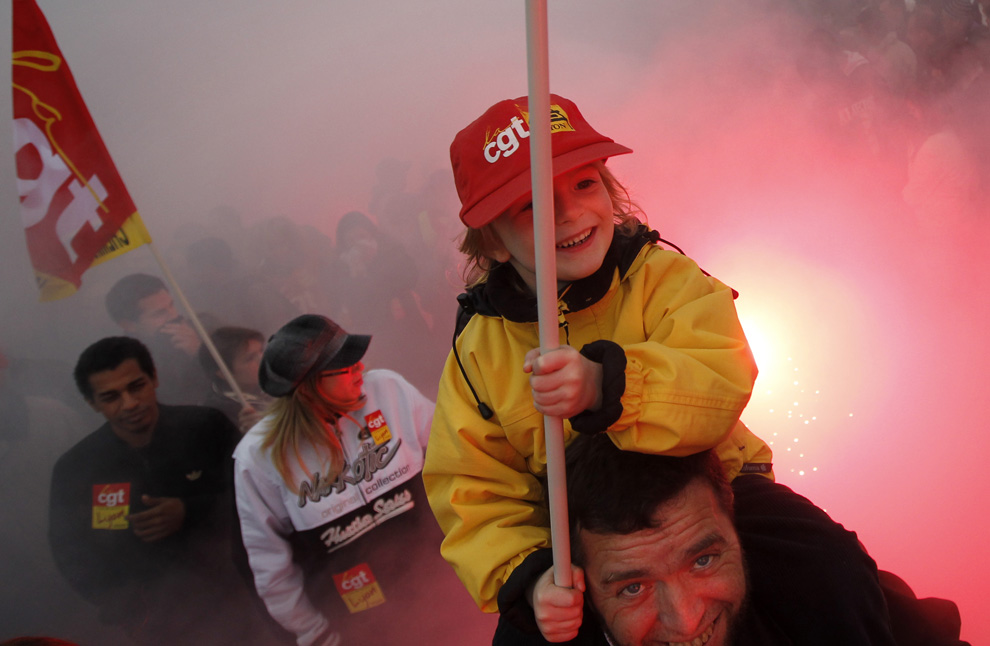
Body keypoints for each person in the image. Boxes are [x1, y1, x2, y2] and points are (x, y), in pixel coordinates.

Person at [421, 94, 893, 645]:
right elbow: (470, 486)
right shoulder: (478, 350)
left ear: (611, 190)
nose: (570, 212)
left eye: (584, 184)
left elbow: (720, 373)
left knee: (830, 565)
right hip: (588, 547)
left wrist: (609, 385)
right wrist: (529, 577)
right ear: (493, 243)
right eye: (532, 205)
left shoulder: (660, 274)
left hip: (725, 497)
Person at [556, 433, 970, 646]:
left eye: (703, 561)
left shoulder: (828, 592)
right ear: (584, 587)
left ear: (737, 529)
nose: (685, 621)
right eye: (633, 588)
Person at [232, 314, 496, 646]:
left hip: (448, 586)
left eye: (355, 356)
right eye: (344, 365)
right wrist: (316, 634)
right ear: (307, 385)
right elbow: (270, 565)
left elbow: (461, 461)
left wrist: (488, 553)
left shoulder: (388, 389)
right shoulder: (258, 456)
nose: (360, 367)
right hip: (363, 623)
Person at [48, 336, 274, 646]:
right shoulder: (78, 468)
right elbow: (71, 552)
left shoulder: (206, 427)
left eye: (136, 386)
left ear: (154, 377)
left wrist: (189, 510)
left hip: (245, 603)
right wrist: (128, 608)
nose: (129, 404)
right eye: (111, 396)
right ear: (92, 402)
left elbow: (260, 499)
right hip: (160, 627)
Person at [104, 273, 212, 405]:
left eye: (171, 305)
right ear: (128, 325)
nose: (174, 315)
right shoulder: (127, 365)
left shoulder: (205, 326)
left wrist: (199, 352)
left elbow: (237, 379)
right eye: (159, 313)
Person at [198, 325, 272, 432]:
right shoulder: (220, 417)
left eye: (261, 350)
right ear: (223, 374)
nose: (263, 359)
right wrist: (251, 435)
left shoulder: (281, 382)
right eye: (250, 358)